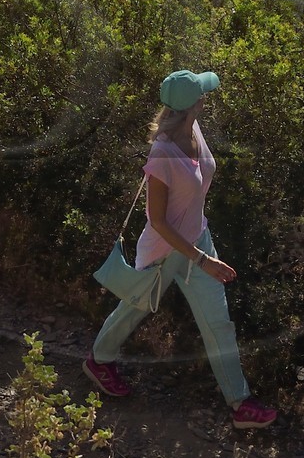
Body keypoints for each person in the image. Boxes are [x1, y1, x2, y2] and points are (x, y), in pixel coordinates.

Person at [84, 69, 278, 429]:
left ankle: (240, 404)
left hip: (198, 240)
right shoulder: (163, 154)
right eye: (203, 94)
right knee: (134, 308)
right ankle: (99, 360)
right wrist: (201, 259)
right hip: (165, 251)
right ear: (195, 104)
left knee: (218, 323)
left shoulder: (193, 130)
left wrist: (201, 249)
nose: (207, 98)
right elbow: (157, 220)